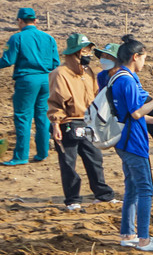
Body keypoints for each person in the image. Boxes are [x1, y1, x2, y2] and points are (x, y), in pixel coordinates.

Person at [108, 39, 153, 252]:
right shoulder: (127, 81)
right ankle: (144, 239)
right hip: (133, 142)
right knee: (146, 189)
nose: (145, 62)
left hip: (123, 140)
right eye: (144, 57)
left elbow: (131, 115)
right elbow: (136, 113)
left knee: (132, 188)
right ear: (135, 56)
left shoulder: (118, 77)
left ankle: (128, 234)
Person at [48, 33, 114, 209]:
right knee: (69, 163)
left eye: (89, 50)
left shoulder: (88, 72)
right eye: (84, 51)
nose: (88, 55)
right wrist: (56, 125)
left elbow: (94, 96)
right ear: (75, 52)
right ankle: (73, 200)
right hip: (67, 123)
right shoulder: (60, 74)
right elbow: (55, 102)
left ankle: (102, 194)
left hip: (88, 122)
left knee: (95, 159)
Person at [0, 6, 59, 164]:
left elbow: (7, 61)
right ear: (35, 20)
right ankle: (42, 153)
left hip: (27, 81)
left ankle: (21, 156)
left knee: (23, 117)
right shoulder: (49, 38)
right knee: (42, 117)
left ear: (20, 20)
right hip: (46, 80)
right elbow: (56, 63)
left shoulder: (17, 38)